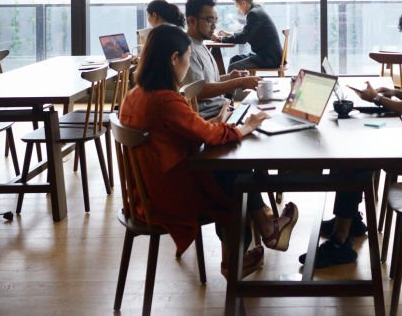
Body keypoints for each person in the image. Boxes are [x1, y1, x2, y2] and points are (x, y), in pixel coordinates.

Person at [118, 24, 299, 279]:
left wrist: (217, 120)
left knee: (233, 169)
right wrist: (246, 127)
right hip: (167, 197)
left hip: (144, 192)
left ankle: (258, 238)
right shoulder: (165, 100)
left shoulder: (135, 95)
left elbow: (184, 131)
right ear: (174, 59)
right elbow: (208, 135)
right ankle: (240, 257)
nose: (187, 64)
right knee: (236, 180)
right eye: (187, 58)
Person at [300, 5, 402, 268]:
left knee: (356, 155)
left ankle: (342, 239)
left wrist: (378, 99)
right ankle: (350, 219)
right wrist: (396, 93)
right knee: (357, 149)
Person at [184, 0, 261, 115]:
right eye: (209, 20)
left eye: (215, 20)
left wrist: (230, 76)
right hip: (210, 118)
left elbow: (208, 82)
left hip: (222, 111)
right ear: (192, 21)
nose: (214, 26)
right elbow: (198, 91)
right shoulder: (187, 50)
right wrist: (239, 82)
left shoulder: (201, 45)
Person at [215, 0, 283, 71]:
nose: (238, 10)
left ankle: (231, 83)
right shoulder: (257, 10)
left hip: (269, 58)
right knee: (234, 59)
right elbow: (246, 34)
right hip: (268, 55)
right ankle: (237, 83)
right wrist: (230, 34)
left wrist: (220, 39)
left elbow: (243, 39)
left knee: (233, 67)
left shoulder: (254, 14)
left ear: (243, 3)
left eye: (237, 6)